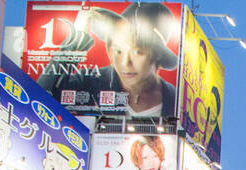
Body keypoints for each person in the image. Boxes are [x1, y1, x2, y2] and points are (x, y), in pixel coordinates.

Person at [36, 3, 180, 119]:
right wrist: (76, 42)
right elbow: (38, 99)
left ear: (157, 55)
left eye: (138, 52)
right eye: (118, 51)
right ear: (110, 51)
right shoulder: (91, 80)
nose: (125, 62)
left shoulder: (173, 98)